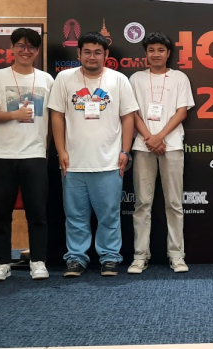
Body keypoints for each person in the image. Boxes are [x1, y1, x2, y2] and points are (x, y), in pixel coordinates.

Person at [47, 32, 138, 278]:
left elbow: (128, 117)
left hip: (109, 161)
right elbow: (57, 115)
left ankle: (110, 258)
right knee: (75, 216)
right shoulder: (64, 78)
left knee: (109, 216)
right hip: (73, 162)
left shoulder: (118, 80)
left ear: (106, 54)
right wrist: (61, 151)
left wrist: (125, 151)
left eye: (98, 52)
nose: (92, 56)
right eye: (87, 51)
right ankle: (76, 258)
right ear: (78, 53)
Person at [0, 28, 54, 282]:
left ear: (37, 51)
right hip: (2, 155)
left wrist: (47, 150)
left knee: (38, 213)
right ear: (12, 48)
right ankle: (2, 263)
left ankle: (38, 261)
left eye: (31, 47)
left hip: (35, 155)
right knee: (1, 213)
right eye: (21, 46)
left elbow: (53, 119)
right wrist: (15, 115)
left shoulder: (47, 79)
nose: (26, 51)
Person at [127, 32, 195, 274]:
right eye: (151, 50)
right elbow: (132, 113)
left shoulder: (179, 78)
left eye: (160, 50)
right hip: (143, 146)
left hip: (172, 145)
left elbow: (182, 112)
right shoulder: (135, 79)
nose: (156, 54)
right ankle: (140, 256)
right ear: (145, 53)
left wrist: (160, 137)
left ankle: (177, 255)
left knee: (174, 203)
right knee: (142, 203)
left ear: (168, 53)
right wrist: (149, 137)